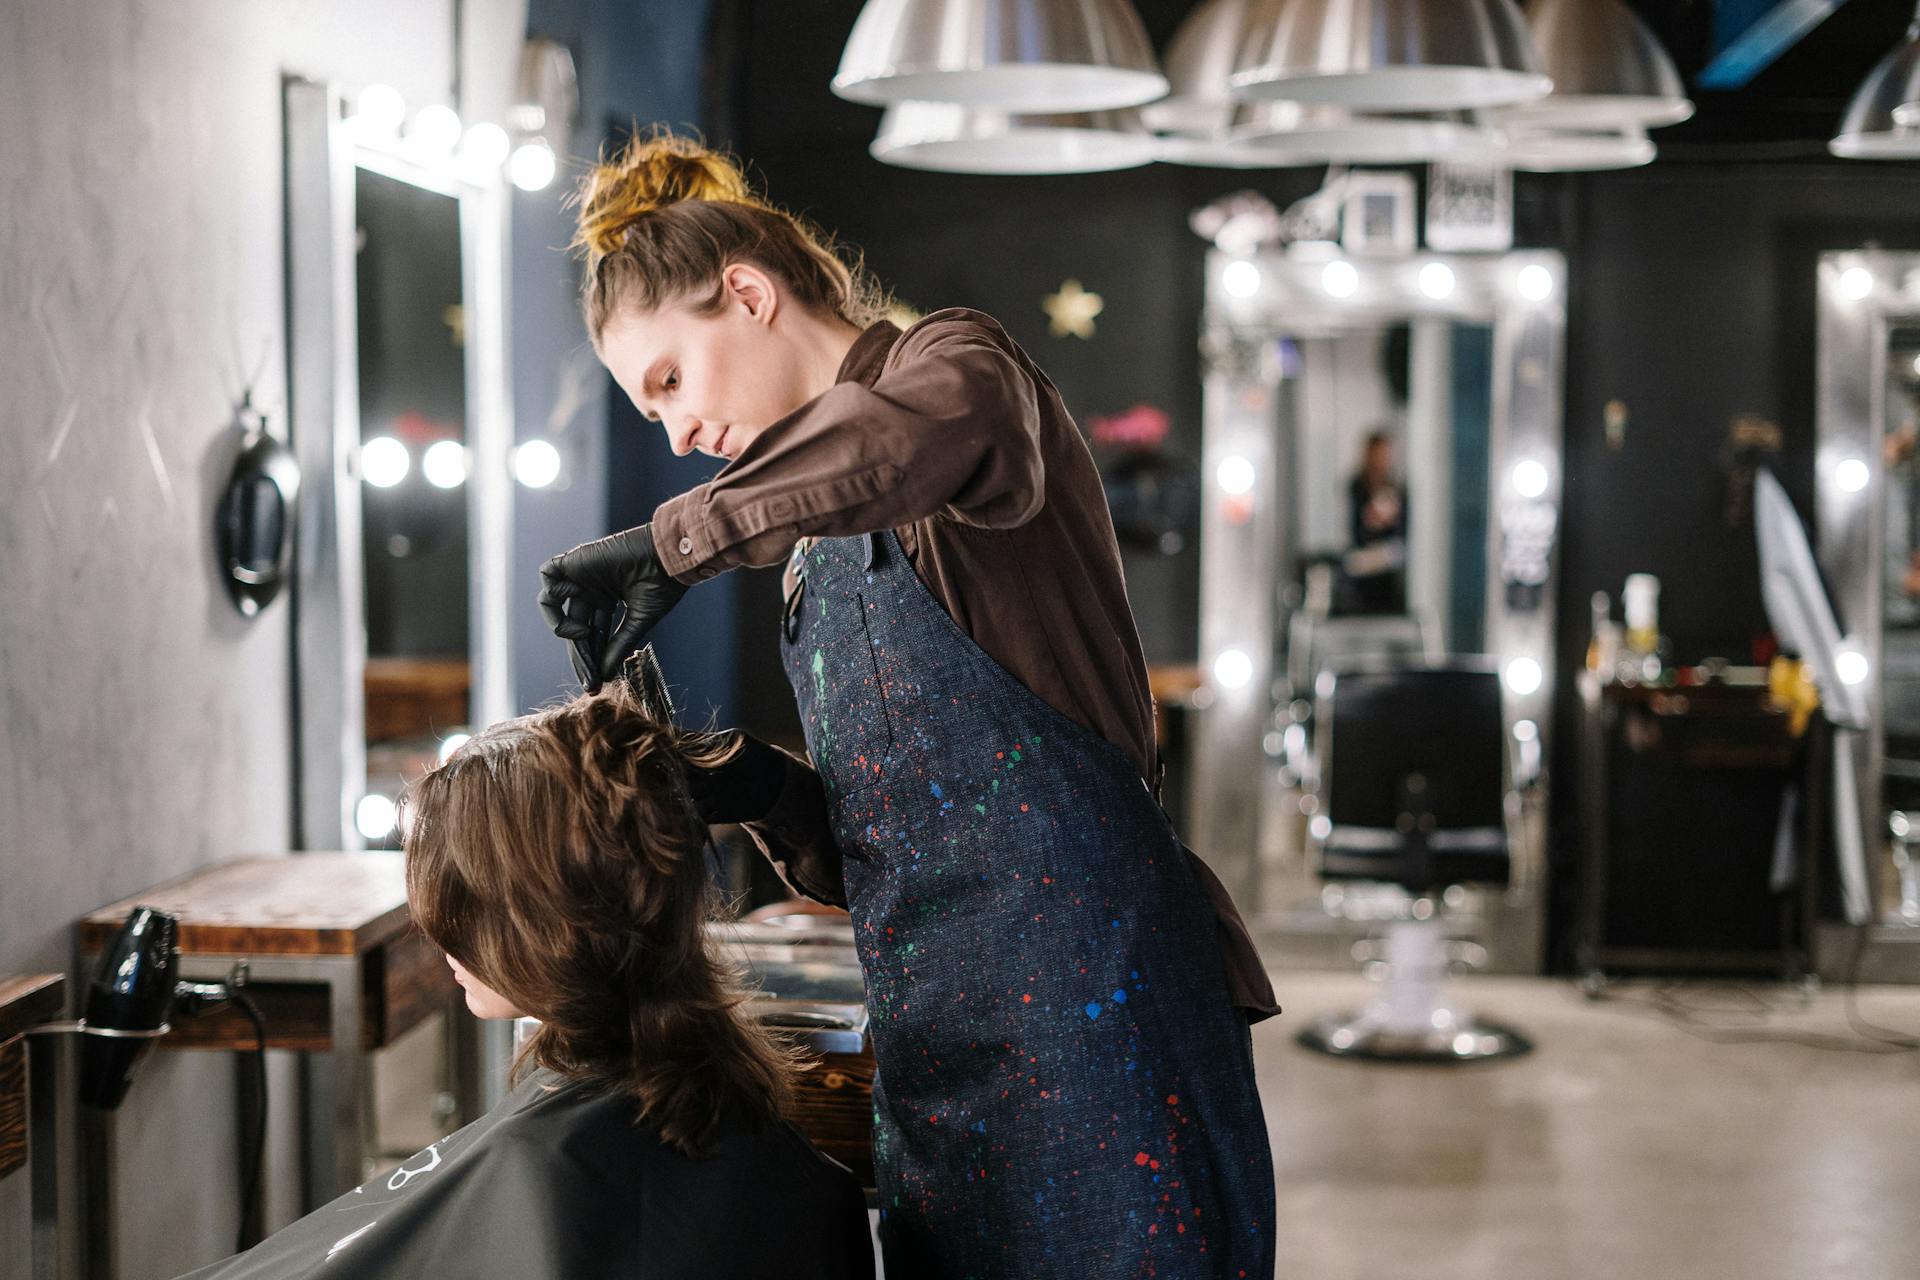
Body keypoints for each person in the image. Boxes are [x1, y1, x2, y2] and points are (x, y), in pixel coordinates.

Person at [537, 133, 1279, 1279]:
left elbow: (916, 440)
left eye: (670, 383)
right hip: (937, 1052)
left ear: (747, 292)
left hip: (1102, 1025)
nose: (677, 436)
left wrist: (680, 540)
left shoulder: (960, 373)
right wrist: (759, 788)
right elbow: (902, 845)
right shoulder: (808, 555)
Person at [174, 663, 873, 1280]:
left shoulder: (542, 1164)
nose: (432, 931)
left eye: (459, 905)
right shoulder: (757, 1133)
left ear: (537, 924)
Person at [1344, 429, 1408, 614]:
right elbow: (1357, 527)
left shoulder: (1395, 486)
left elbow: (1399, 530)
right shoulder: (1358, 486)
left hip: (1388, 567)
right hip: (1363, 567)